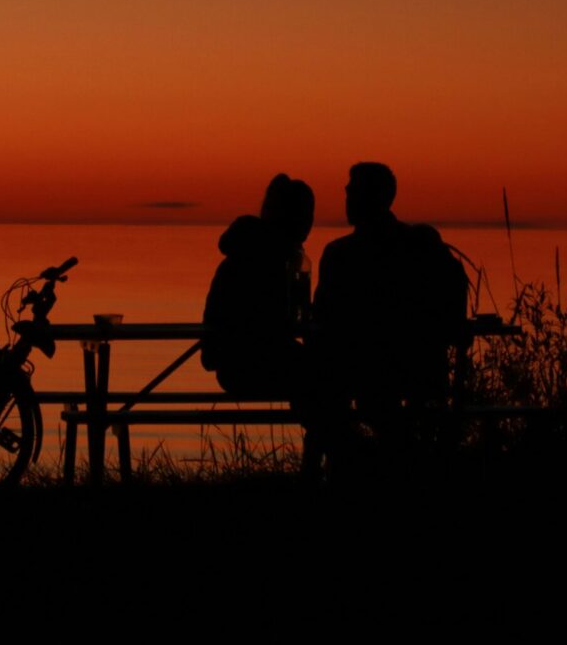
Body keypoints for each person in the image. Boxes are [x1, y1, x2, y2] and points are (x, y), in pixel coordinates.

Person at [312, 162, 469, 447]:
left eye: (353, 190)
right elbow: (454, 307)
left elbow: (322, 317)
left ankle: (348, 464)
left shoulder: (341, 255)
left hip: (367, 372)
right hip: (423, 373)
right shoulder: (422, 246)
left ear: (373, 198)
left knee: (323, 390)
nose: (346, 195)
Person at [200, 174, 315, 399]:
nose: (310, 222)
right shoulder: (273, 261)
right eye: (306, 214)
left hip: (234, 365)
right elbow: (283, 323)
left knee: (323, 374)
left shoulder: (243, 254)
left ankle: (327, 430)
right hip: (250, 366)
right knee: (328, 375)